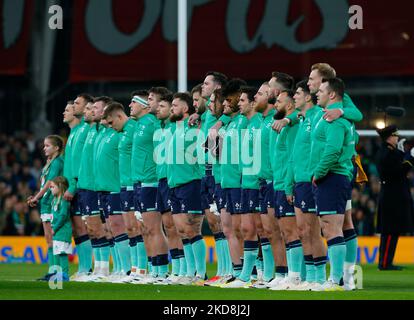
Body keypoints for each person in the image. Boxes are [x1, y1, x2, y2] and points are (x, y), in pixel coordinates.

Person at [310, 78, 355, 291]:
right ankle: (338, 279)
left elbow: (333, 150)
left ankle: (336, 280)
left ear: (332, 95)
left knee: (332, 227)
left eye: (321, 90)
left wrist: (318, 173)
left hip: (332, 176)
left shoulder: (334, 119)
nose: (316, 93)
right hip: (332, 177)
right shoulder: (328, 116)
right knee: (329, 226)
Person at [375, 125, 414, 270]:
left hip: (393, 196)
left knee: (393, 230)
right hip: (392, 197)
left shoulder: (390, 152)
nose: (397, 138)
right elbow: (398, 171)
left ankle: (387, 262)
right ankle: (385, 263)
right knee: (390, 231)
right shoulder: (386, 153)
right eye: (395, 136)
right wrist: (409, 157)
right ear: (389, 137)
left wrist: (403, 154)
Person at [27, 135, 64, 281]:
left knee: (53, 239)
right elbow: (44, 184)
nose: (44, 148)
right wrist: (36, 197)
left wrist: (37, 197)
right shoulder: (50, 162)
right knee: (49, 239)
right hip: (46, 203)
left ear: (56, 148)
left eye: (47, 145)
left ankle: (57, 272)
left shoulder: (57, 162)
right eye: (44, 145)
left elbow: (49, 183)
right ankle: (53, 272)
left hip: (51, 203)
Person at [50, 176, 73, 282]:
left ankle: (64, 275)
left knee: (62, 253)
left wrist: (55, 228)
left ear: (60, 187)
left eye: (52, 187)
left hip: (63, 231)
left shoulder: (63, 200)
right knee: (56, 252)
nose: (51, 189)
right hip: (57, 232)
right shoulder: (54, 200)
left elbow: (63, 216)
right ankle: (55, 274)